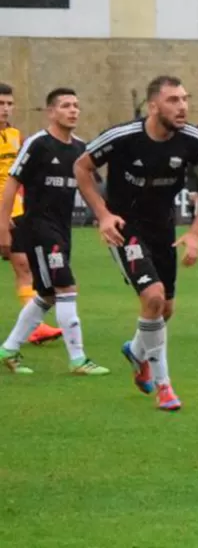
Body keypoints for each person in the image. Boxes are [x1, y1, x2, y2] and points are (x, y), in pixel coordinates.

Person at [75, 75, 198, 412]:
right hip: (125, 227)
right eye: (173, 100)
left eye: (185, 99)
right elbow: (81, 167)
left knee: (164, 308)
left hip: (163, 228)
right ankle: (164, 386)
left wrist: (196, 232)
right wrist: (103, 215)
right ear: (154, 106)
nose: (182, 106)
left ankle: (138, 351)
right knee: (152, 296)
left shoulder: (194, 140)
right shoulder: (123, 137)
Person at [0, 88, 109, 375]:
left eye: (76, 105)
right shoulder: (37, 144)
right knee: (65, 287)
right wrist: (2, 227)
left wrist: (104, 216)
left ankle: (8, 349)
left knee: (47, 294)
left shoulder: (79, 149)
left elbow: (89, 187)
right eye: (65, 106)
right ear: (51, 111)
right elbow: (12, 184)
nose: (73, 110)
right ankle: (78, 359)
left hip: (62, 229)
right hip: (38, 228)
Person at [0, 83, 64, 347]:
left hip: (14, 212)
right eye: (0, 104)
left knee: (24, 265)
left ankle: (34, 327)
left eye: (9, 104)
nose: (5, 109)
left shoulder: (16, 136)